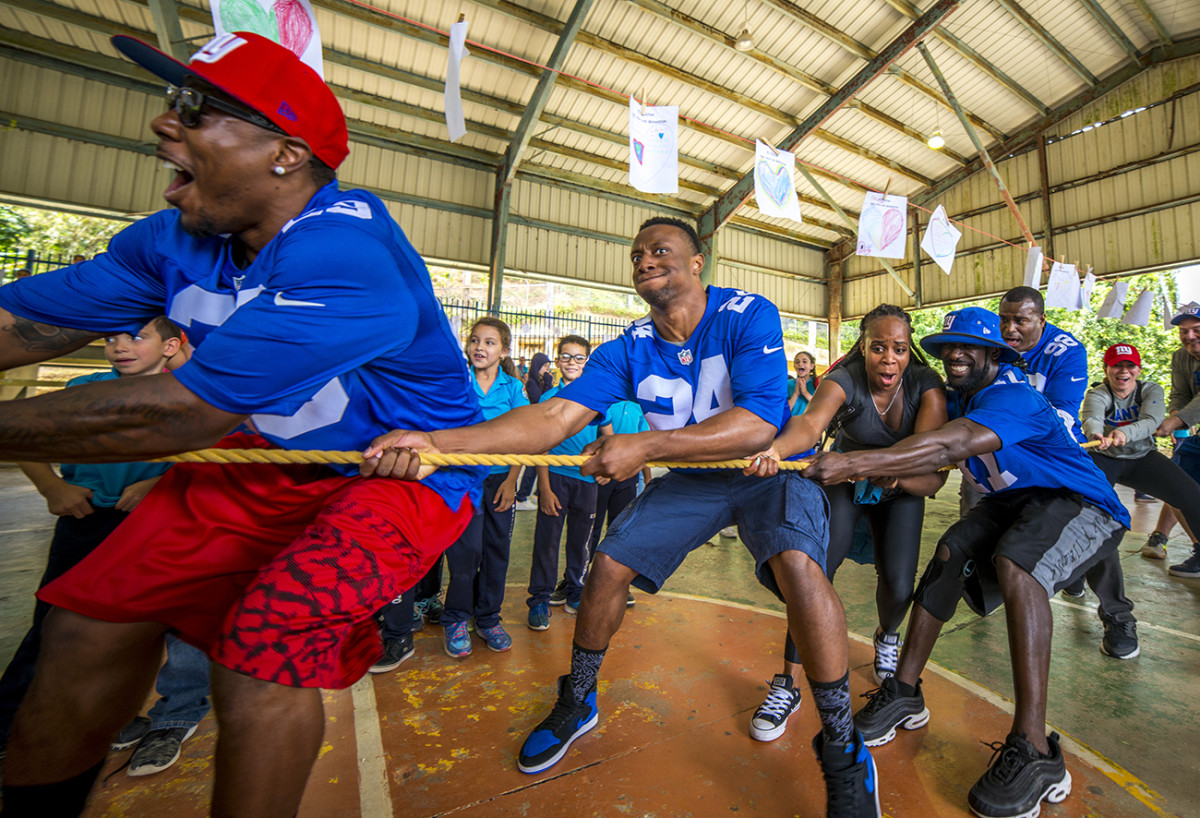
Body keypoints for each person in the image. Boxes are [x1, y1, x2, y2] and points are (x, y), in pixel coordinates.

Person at [0, 32, 486, 818]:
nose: (165, 122)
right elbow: (26, 327)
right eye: (174, 101)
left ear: (285, 154)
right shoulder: (171, 240)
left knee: (263, 650)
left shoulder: (348, 250)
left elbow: (179, 414)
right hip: (261, 458)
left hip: (396, 473)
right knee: (84, 632)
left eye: (196, 109)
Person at [364, 216, 880, 817]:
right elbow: (555, 417)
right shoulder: (628, 346)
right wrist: (438, 443)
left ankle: (843, 745)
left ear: (697, 263)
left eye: (660, 250)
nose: (645, 260)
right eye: (636, 254)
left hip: (768, 471)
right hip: (695, 479)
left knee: (800, 567)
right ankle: (578, 699)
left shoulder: (747, 313)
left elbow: (759, 425)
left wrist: (646, 446)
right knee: (607, 566)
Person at [833, 307, 1128, 818]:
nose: (956, 354)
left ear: (995, 354)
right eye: (949, 346)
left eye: (969, 346)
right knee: (951, 550)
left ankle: (1036, 750)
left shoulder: (1014, 396)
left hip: (1078, 501)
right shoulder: (954, 396)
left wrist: (854, 463)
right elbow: (912, 420)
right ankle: (904, 690)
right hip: (1014, 501)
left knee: (1017, 564)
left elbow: (951, 444)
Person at [741, 305, 946, 742]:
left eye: (899, 349)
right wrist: (777, 450)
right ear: (863, 347)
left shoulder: (926, 386)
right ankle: (788, 683)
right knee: (811, 577)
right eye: (878, 348)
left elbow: (932, 477)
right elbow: (809, 424)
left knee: (899, 583)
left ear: (909, 351)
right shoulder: (845, 377)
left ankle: (887, 636)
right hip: (845, 479)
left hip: (900, 486)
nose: (888, 359)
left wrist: (891, 476)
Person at [0, 317, 182, 752]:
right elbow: (24, 440)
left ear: (170, 346)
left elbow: (218, 458)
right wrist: (52, 487)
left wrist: (160, 484)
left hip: (152, 525)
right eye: (110, 339)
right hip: (86, 520)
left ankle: (112, 716)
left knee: (130, 630)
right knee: (53, 624)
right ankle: (9, 724)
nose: (120, 346)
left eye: (135, 337)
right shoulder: (84, 389)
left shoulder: (190, 396)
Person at [1080, 342, 1200, 657]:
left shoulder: (1150, 389)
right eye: (1117, 365)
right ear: (1106, 369)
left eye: (1129, 366)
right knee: (1098, 519)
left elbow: (1151, 421)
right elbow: (1091, 418)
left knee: (1192, 497)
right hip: (1104, 458)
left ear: (1138, 369)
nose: (1123, 371)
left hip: (1142, 457)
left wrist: (1124, 434)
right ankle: (1110, 610)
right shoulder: (1098, 393)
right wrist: (1096, 434)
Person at [442, 317, 529, 657]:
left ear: (504, 351)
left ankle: (488, 618)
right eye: (475, 340)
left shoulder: (513, 388)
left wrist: (511, 481)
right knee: (466, 550)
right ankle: (456, 618)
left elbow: (524, 437)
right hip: (463, 478)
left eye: (490, 342)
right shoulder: (457, 382)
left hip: (500, 480)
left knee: (497, 549)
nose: (480, 347)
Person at [528, 335, 604, 629]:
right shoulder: (548, 399)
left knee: (581, 541)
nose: (572, 362)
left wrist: (602, 467)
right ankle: (539, 599)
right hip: (555, 479)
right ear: (557, 361)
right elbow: (540, 446)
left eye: (579, 357)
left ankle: (575, 591)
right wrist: (544, 488)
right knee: (547, 541)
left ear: (587, 362)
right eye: (566, 356)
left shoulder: (596, 397)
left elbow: (607, 437)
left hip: (586, 480)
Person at [575, 400, 652, 608]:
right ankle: (577, 580)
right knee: (591, 529)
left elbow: (643, 446)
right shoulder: (606, 402)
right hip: (601, 475)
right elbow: (596, 439)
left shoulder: (638, 407)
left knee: (620, 530)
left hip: (629, 476)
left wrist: (647, 478)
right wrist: (601, 471)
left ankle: (618, 585)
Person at [1152, 301, 1200, 578]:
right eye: (1184, 331)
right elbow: (1180, 394)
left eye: (1196, 329)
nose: (1189, 336)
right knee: (1174, 479)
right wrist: (1173, 417)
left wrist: (1177, 421)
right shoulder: (1181, 357)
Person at [514, 351, 554, 510]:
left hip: (544, 427)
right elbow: (542, 403)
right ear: (537, 366)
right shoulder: (532, 383)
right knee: (533, 464)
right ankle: (521, 496)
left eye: (548, 366)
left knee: (542, 463)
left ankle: (537, 493)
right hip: (535, 428)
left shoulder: (541, 381)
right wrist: (549, 383)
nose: (547, 369)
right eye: (544, 366)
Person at [789, 350, 818, 416]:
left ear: (812, 366)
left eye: (804, 362)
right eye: (797, 362)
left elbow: (820, 407)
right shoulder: (789, 384)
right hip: (792, 421)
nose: (800, 364)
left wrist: (805, 392)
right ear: (794, 366)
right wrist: (796, 394)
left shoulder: (817, 383)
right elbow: (785, 410)